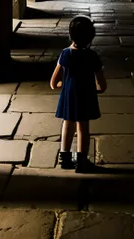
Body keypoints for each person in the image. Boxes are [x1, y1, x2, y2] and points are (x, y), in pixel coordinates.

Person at [50, 15, 107, 172]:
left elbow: (53, 83)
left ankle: (65, 158)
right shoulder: (92, 56)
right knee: (83, 127)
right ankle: (82, 161)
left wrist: (66, 85)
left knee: (67, 125)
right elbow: (102, 86)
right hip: (86, 97)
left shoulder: (65, 54)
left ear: (70, 35)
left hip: (69, 97)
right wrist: (93, 89)